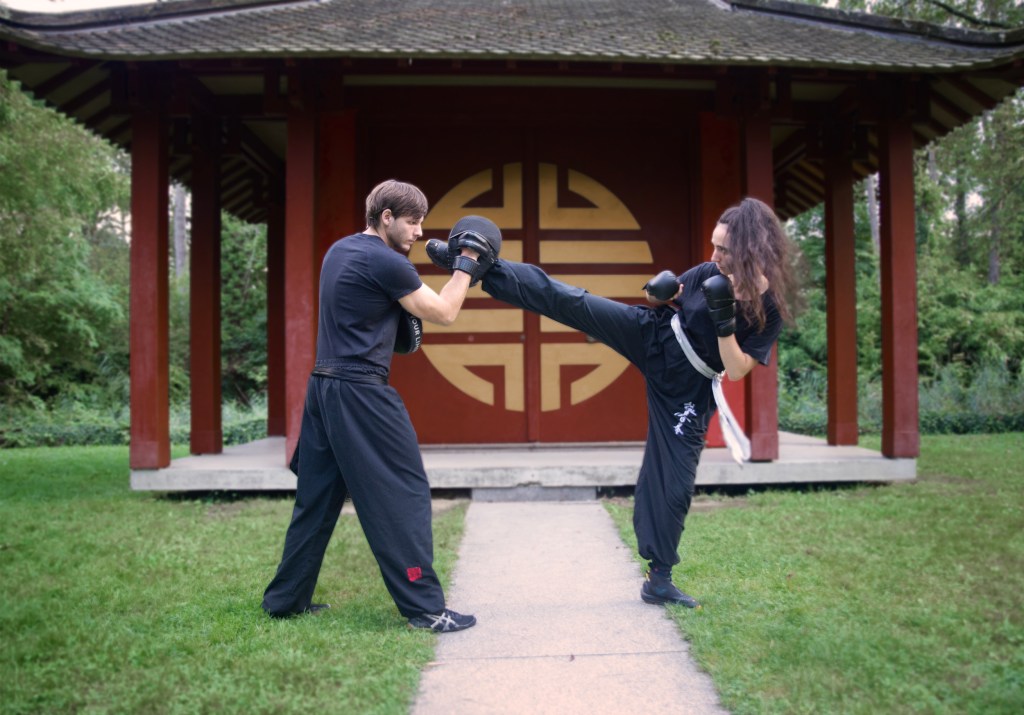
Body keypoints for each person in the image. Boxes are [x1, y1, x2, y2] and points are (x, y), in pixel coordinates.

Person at [426, 197, 795, 608]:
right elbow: (667, 302)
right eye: (714, 245)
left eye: (723, 249)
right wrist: (661, 292)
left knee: (673, 481)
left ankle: (659, 580)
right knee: (570, 300)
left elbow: (739, 369)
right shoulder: (708, 272)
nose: (713, 256)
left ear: (749, 249)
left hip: (688, 386)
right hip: (655, 334)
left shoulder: (769, 305)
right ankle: (476, 266)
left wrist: (725, 324)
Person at [262, 181, 500, 632]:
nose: (419, 231)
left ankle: (285, 601)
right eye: (412, 222)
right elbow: (445, 312)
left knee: (316, 500)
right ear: (386, 217)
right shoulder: (386, 261)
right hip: (361, 392)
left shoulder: (340, 251)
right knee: (403, 492)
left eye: (422, 222)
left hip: (324, 388)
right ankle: (425, 608)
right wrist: (466, 265)